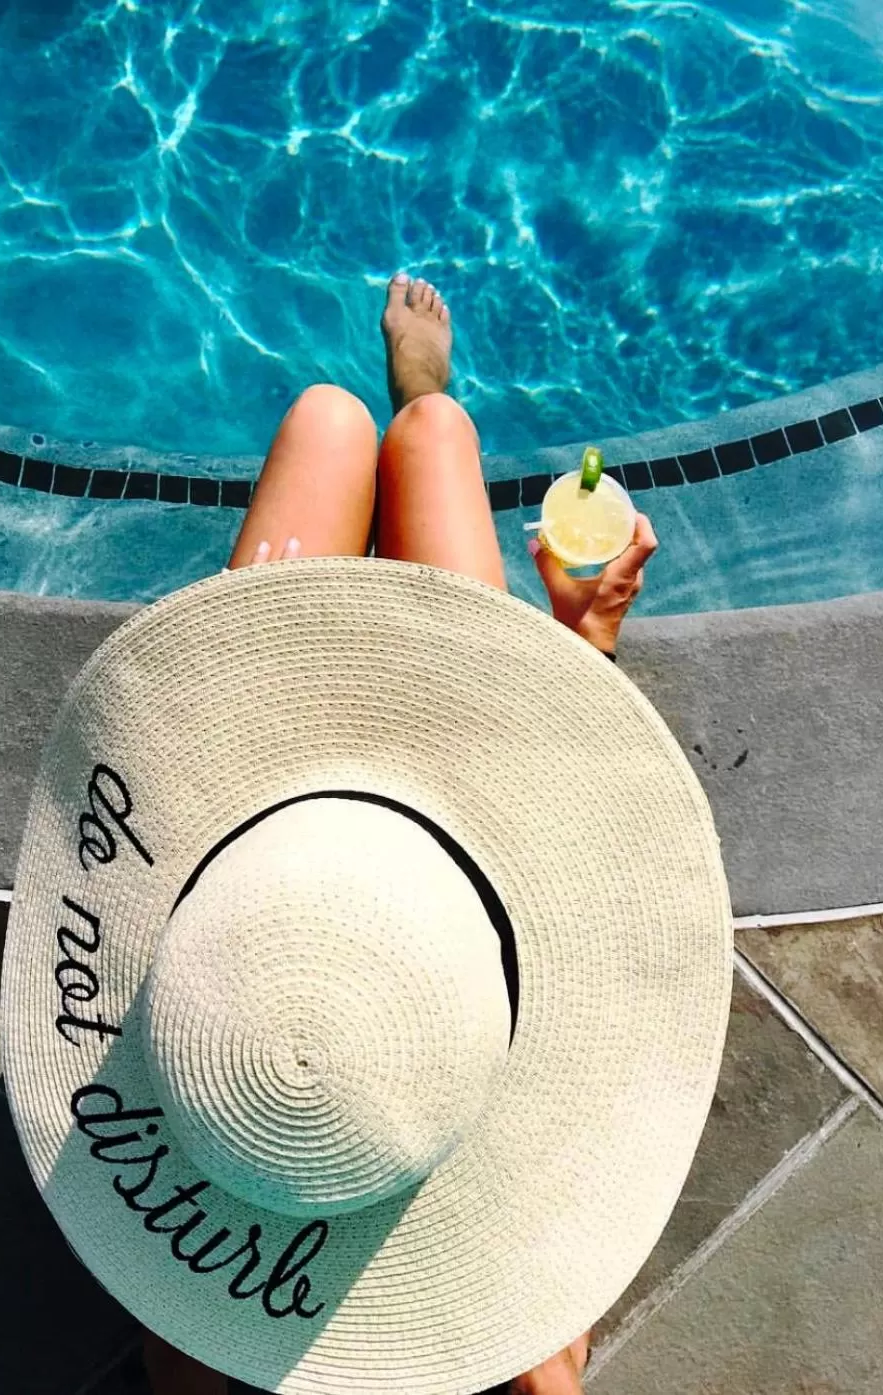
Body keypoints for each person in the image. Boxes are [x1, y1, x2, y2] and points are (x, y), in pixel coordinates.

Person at [138, 270, 660, 1395]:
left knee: (335, 426)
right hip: (441, 883)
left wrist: (587, 634)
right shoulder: (514, 1344)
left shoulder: (203, 1317)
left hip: (263, 906)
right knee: (419, 433)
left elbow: (168, 1289)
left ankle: (414, 418)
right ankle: (422, 399)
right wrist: (586, 643)